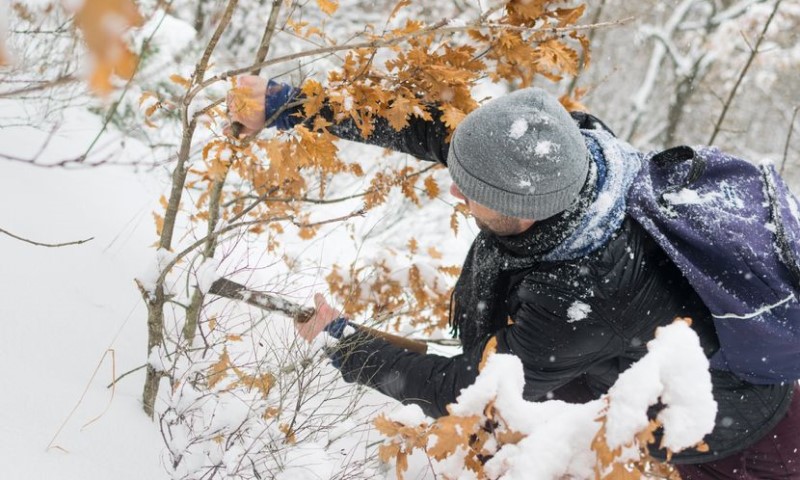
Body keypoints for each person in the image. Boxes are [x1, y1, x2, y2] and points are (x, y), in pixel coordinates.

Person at [227, 76, 800, 478]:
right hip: (637, 351)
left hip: (743, 430)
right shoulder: (551, 152)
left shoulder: (585, 295)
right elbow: (427, 130)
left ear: (522, 211)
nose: (456, 190)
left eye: (470, 192)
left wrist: (348, 345)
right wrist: (284, 104)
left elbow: (471, 391)